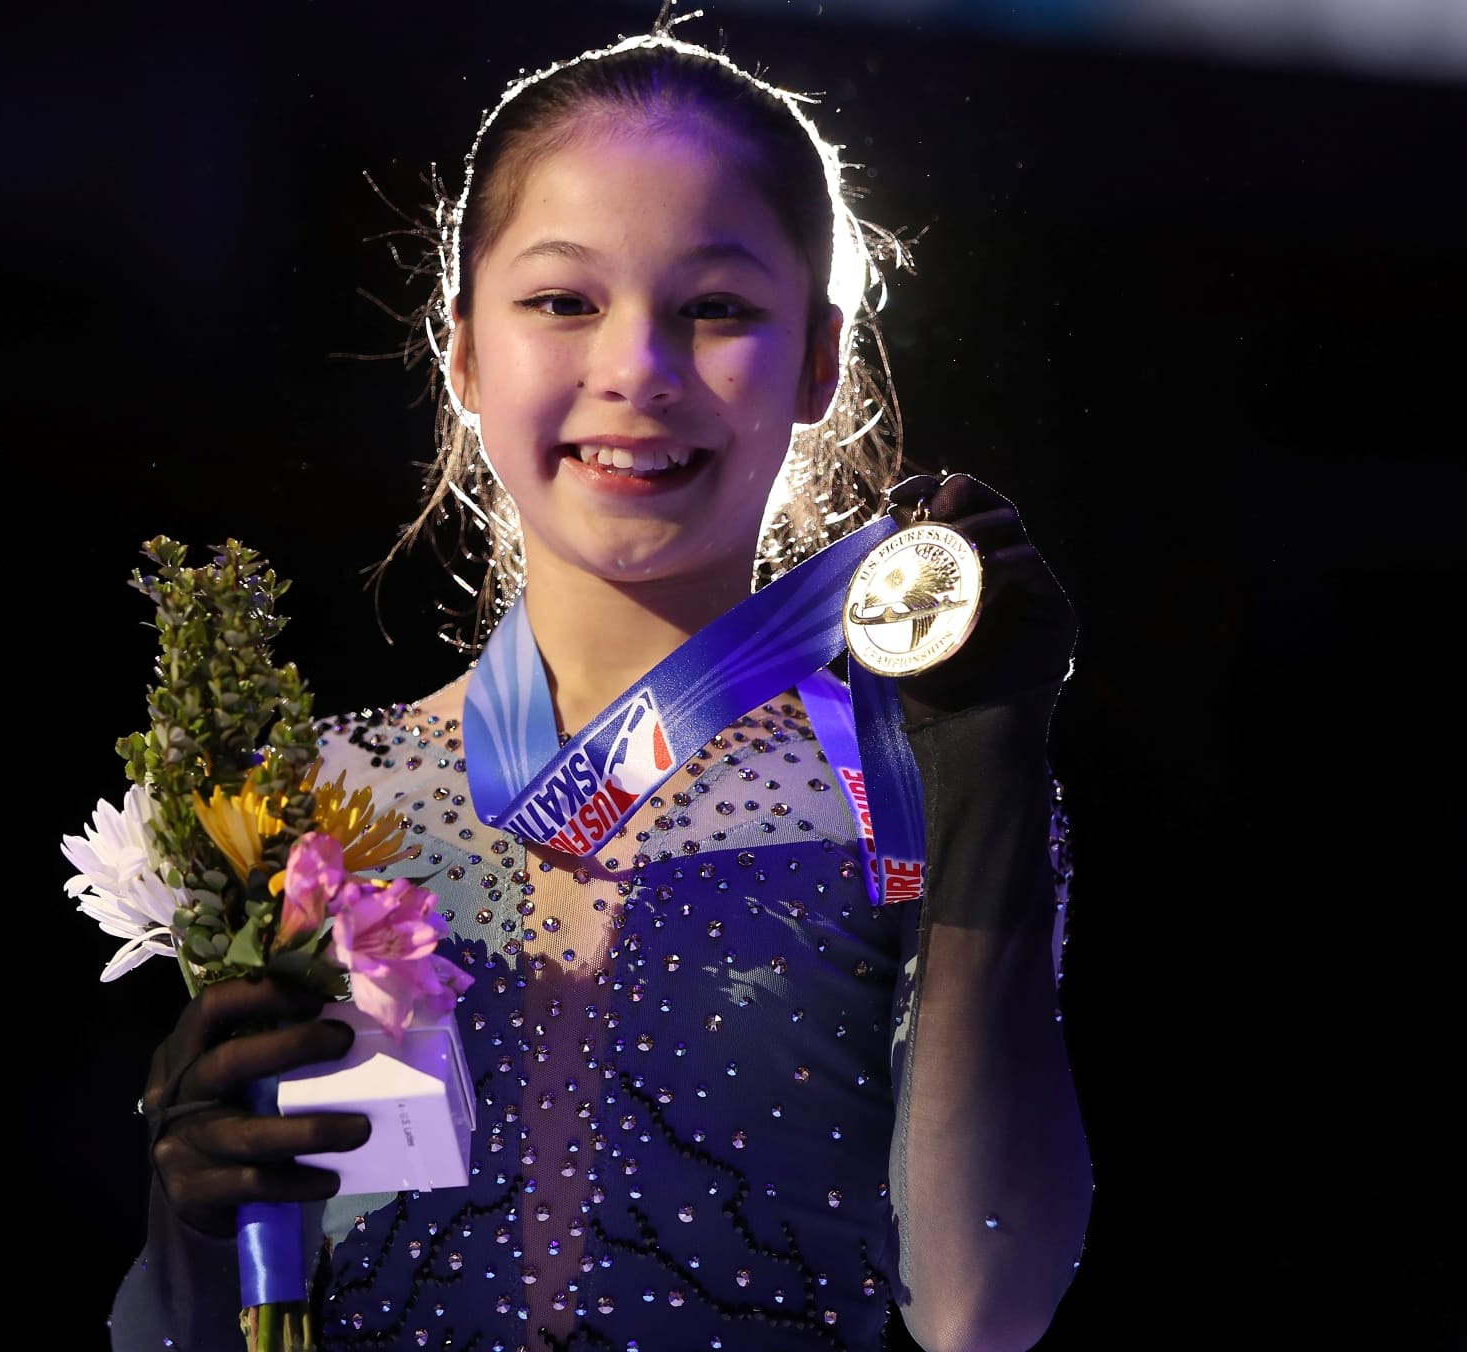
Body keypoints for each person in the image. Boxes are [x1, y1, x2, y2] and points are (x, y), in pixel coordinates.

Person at [111, 12, 1093, 1351]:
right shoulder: (321, 807)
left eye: (718, 309)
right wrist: (194, 1223)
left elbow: (986, 1307)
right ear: (460, 353)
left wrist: (990, 761)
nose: (635, 368)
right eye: (564, 300)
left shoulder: (912, 794)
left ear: (817, 358)